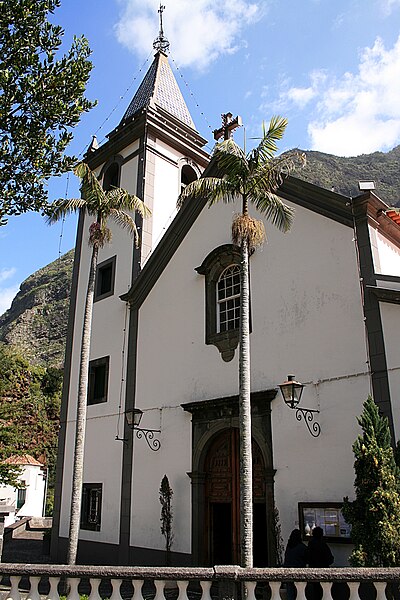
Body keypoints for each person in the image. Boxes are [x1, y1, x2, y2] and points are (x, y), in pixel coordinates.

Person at [307, 527, 334, 600]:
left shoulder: (311, 544)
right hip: (324, 569)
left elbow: (308, 557)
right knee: (325, 591)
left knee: (316, 591)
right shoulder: (323, 544)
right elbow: (330, 558)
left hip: (314, 570)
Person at [284, 529, 308, 600]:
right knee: (300, 593)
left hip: (288, 572)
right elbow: (307, 558)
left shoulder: (289, 546)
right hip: (299, 572)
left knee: (290, 593)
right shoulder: (302, 547)